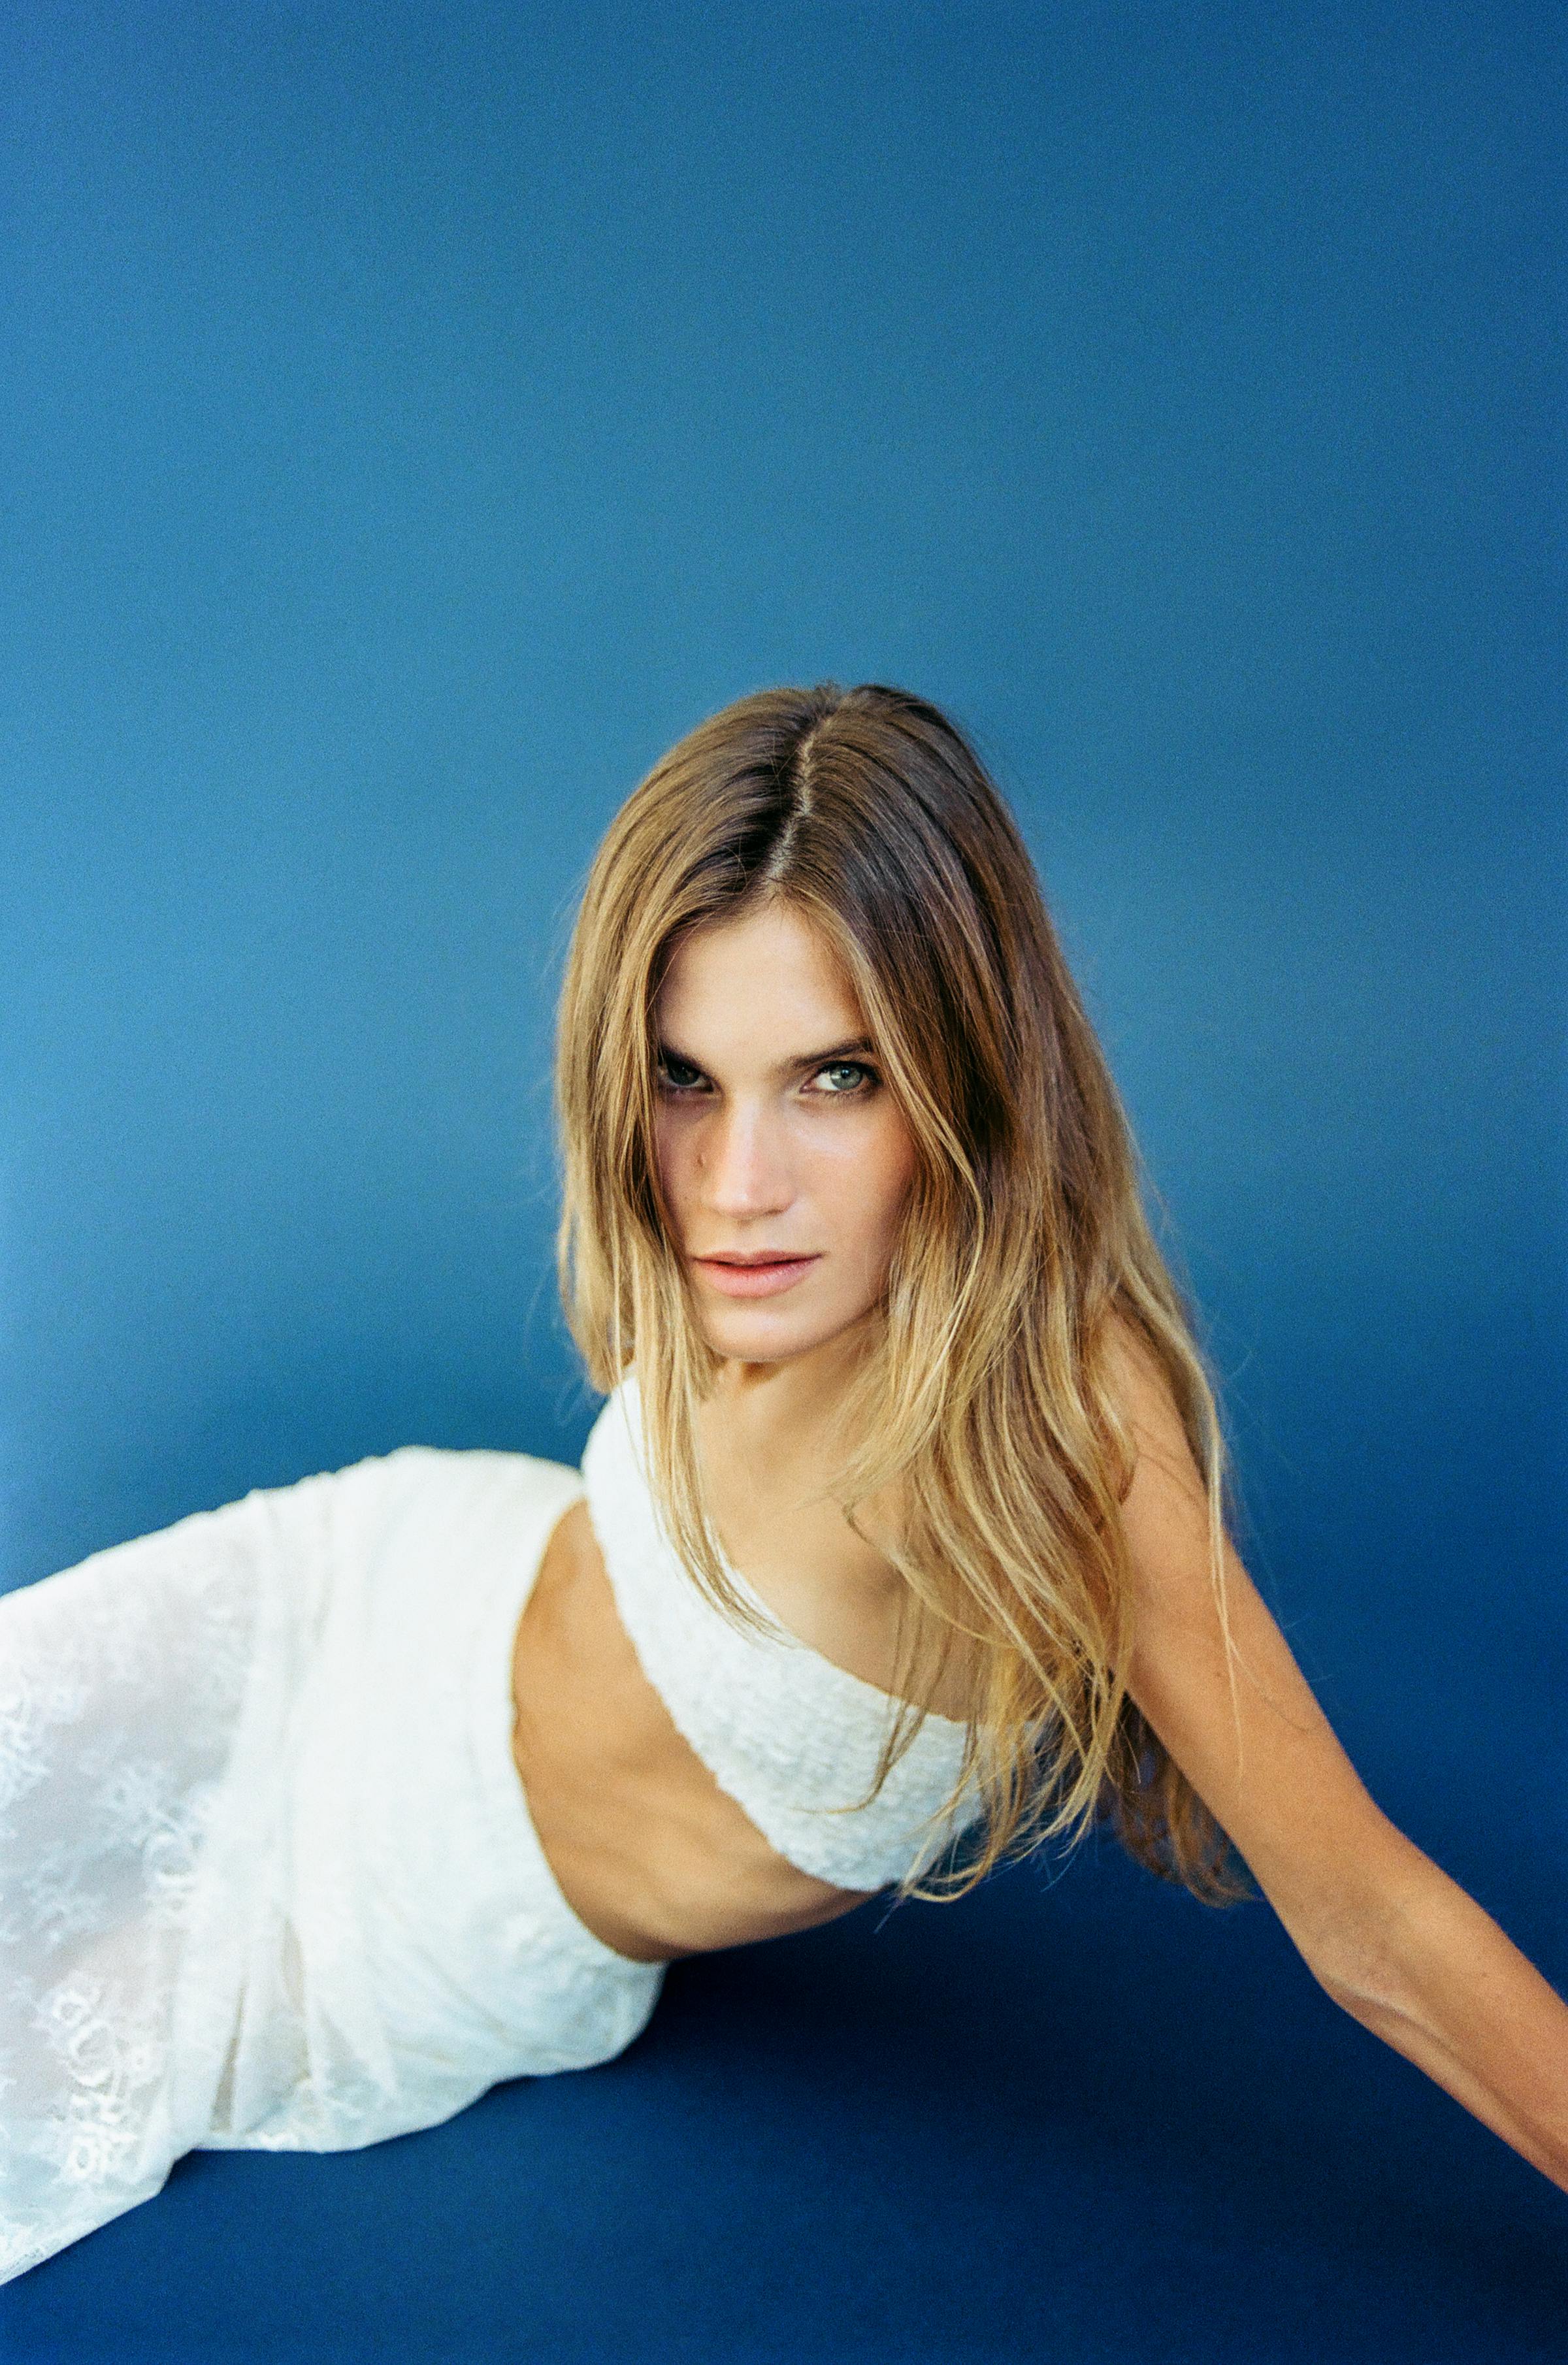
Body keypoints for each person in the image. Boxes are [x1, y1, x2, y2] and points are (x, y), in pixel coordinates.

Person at [2, 681, 1563, 2285]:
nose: (739, 1191)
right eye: (688, 1078)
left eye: (838, 1077)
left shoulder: (1053, 1412)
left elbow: (1372, 1916)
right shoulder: (723, 1225)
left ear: (967, 1072)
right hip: (369, 1585)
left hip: (411, 1912)